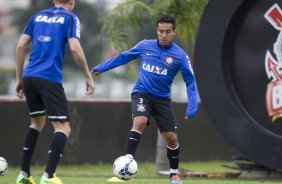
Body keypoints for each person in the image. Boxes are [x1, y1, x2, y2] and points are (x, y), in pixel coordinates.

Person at [92, 15, 198, 184]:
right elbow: (124, 57)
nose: (164, 35)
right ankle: (126, 164)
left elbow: (190, 81)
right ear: (157, 30)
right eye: (161, 31)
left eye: (168, 32)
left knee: (171, 138)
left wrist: (192, 107)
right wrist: (101, 68)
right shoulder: (144, 46)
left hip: (163, 100)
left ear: (174, 32)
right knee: (140, 121)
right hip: (141, 94)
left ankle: (174, 175)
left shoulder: (180, 56)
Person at [15, 0, 95, 183]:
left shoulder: (36, 16)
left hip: (29, 77)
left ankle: (23, 174)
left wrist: (19, 78)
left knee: (36, 123)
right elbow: (75, 47)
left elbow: (20, 46)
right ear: (72, 2)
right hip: (49, 77)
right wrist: (88, 76)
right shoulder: (70, 18)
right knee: (63, 127)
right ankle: (48, 176)